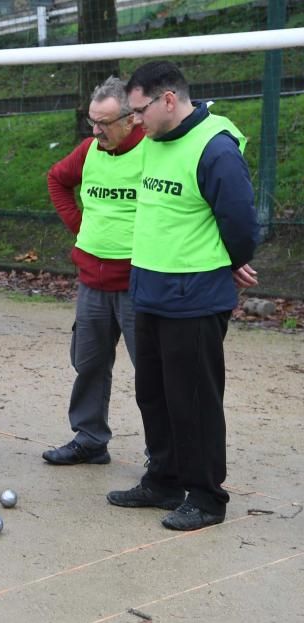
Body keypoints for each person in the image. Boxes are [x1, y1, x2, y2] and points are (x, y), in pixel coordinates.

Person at [106, 61, 259, 531]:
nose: (135, 121)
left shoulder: (215, 148)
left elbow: (241, 225)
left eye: (139, 111)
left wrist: (225, 262)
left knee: (194, 399)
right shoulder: (155, 140)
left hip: (193, 298)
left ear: (168, 100)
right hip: (150, 291)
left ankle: (207, 496)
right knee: (153, 394)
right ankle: (165, 479)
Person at [43, 76, 144, 466]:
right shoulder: (89, 150)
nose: (97, 130)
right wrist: (79, 226)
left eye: (105, 122)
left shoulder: (152, 151)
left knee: (151, 373)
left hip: (139, 283)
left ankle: (162, 455)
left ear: (132, 118)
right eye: (92, 122)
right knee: (88, 364)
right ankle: (89, 439)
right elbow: (57, 179)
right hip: (92, 282)